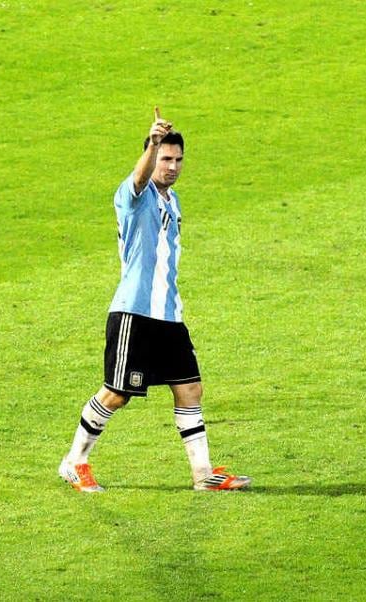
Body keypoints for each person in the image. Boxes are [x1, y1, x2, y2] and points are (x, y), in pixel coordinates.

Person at [58, 108, 251, 493]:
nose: (173, 166)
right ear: (151, 155)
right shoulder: (133, 196)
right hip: (134, 313)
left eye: (178, 159)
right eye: (166, 158)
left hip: (169, 315)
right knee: (116, 393)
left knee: (190, 388)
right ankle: (74, 462)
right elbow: (139, 177)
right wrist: (152, 143)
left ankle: (203, 474)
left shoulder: (173, 201)